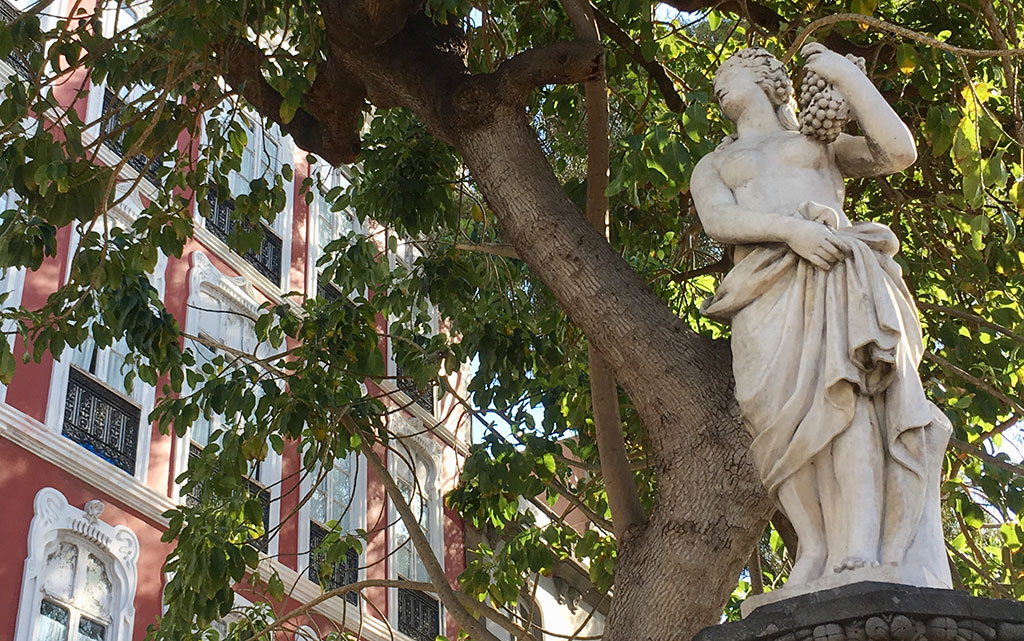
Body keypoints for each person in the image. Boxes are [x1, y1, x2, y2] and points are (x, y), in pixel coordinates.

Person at [691, 44, 952, 591]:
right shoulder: (712, 163)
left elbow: (897, 151)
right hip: (764, 292)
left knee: (845, 398)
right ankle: (813, 547)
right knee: (774, 423)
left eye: (728, 70)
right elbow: (719, 220)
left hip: (834, 276)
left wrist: (845, 77)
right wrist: (792, 231)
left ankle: (857, 545)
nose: (717, 84)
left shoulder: (816, 140)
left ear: (766, 77)